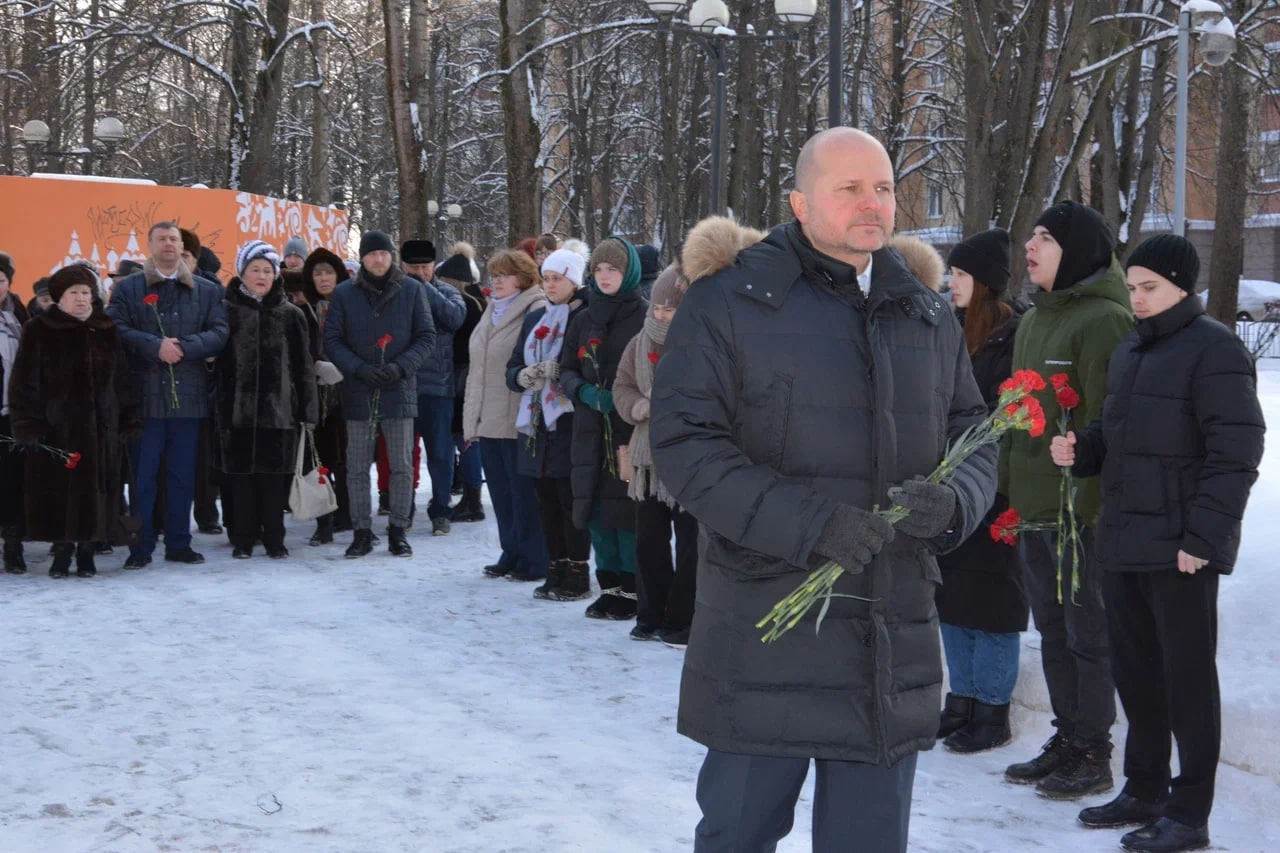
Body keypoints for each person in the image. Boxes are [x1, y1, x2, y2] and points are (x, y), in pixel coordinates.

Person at [649, 128, 995, 852]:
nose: (873, 203)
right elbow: (687, 447)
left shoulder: (925, 312)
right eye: (850, 188)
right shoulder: (729, 302)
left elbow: (974, 430)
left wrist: (956, 501)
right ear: (800, 203)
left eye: (884, 187)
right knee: (738, 834)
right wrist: (810, 524)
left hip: (886, 638)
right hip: (766, 626)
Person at [1052, 235, 1265, 853]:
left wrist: (1204, 538)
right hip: (1123, 538)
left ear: (1181, 286)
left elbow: (1237, 452)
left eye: (1149, 288)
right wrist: (1083, 450)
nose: (1137, 299)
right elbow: (1112, 430)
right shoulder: (1131, 350)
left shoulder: (1215, 350)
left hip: (1181, 549)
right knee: (1137, 673)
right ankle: (1143, 788)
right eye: (1133, 287)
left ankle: (1188, 812)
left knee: (1188, 681)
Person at [1003, 200, 1134, 800]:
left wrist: (1090, 499)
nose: (1030, 245)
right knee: (1053, 633)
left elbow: (1110, 423)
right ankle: (1068, 734)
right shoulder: (1034, 319)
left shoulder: (1104, 321)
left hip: (1080, 510)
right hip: (1034, 505)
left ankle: (1094, 750)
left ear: (1076, 250)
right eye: (1030, 235)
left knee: (1089, 634)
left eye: (1045, 237)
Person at [933, 228, 1030, 753]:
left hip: (996, 490)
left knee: (993, 601)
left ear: (987, 284)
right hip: (951, 488)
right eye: (952, 273)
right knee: (953, 596)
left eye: (962, 274)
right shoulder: (952, 331)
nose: (952, 282)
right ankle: (962, 701)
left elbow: (1011, 415)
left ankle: (993, 711)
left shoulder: (1014, 338)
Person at [108, 221, 229, 569]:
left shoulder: (206, 290)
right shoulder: (130, 288)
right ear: (150, 245)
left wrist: (185, 347)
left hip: (188, 401)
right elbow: (115, 327)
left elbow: (220, 332)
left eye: (173, 239)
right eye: (161, 239)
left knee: (182, 477)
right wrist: (154, 346)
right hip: (144, 399)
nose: (168, 245)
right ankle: (140, 547)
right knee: (143, 479)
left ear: (182, 246)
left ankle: (179, 543)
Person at [8, 265, 141, 577]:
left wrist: (129, 419)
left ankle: (87, 552)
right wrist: (27, 424)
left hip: (102, 430)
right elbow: (24, 383)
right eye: (74, 293)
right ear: (59, 298)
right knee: (60, 492)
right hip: (58, 432)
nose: (82, 299)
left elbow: (122, 380)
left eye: (86, 293)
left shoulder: (106, 328)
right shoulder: (39, 329)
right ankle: (62, 552)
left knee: (98, 491)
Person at [323, 230, 435, 559]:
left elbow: (426, 336)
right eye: (372, 254)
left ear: (391, 257)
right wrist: (357, 368)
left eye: (384, 254)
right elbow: (332, 339)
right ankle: (361, 530)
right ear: (362, 258)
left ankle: (398, 529)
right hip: (359, 389)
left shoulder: (413, 290)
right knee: (357, 465)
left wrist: (401, 367)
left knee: (400, 464)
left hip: (399, 389)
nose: (378, 259)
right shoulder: (345, 294)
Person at [559, 237, 648, 621]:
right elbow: (565, 368)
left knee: (627, 514)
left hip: (629, 429)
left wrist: (624, 398)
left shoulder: (644, 315)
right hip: (589, 428)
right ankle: (609, 586)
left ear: (629, 273)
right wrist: (583, 391)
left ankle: (632, 589)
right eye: (599, 269)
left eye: (613, 269)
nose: (606, 276)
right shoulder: (583, 317)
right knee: (595, 512)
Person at [216, 242, 318, 559]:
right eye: (254, 270)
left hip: (280, 412)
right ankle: (243, 539)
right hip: (236, 412)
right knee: (241, 478)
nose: (261, 276)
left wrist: (307, 409)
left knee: (275, 480)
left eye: (267, 271)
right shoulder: (226, 311)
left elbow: (304, 365)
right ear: (241, 272)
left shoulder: (291, 314)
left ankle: (275, 538)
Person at [614, 261, 698, 647]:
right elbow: (622, 386)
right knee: (648, 539)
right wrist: (638, 407)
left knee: (690, 541)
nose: (661, 315)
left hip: (686, 456)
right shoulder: (639, 342)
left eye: (670, 309)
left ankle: (682, 618)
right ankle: (651, 613)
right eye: (657, 308)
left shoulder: (698, 341)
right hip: (647, 458)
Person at [505, 245, 591, 600]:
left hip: (569, 422)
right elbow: (510, 368)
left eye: (558, 279)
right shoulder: (536, 318)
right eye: (547, 279)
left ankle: (578, 569)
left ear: (573, 280)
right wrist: (525, 375)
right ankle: (555, 565)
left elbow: (591, 364)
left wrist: (566, 375)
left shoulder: (583, 315)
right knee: (546, 499)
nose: (550, 285)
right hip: (536, 421)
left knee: (569, 498)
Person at [463, 248, 549, 581]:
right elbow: (478, 369)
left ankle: (534, 556)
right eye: (494, 275)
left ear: (524, 278)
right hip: (489, 417)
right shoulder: (492, 310)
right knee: (500, 492)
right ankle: (511, 550)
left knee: (523, 493)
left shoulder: (536, 308)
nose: (496, 281)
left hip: (518, 417)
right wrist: (473, 418)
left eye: (504, 275)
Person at [403, 238, 467, 536]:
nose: (419, 271)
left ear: (434, 267)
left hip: (439, 389)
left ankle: (441, 509)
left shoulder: (446, 291)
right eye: (413, 267)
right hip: (401, 387)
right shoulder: (394, 293)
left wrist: (422, 287)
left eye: (425, 267)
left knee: (441, 455)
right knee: (402, 455)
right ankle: (402, 509)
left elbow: (454, 318)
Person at [301, 247, 352, 542]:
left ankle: (347, 514)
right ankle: (324, 522)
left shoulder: (351, 304)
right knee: (318, 457)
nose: (323, 278)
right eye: (318, 273)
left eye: (328, 272)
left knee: (346, 456)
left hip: (347, 389)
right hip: (315, 392)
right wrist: (314, 365)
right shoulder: (302, 308)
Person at [178, 227, 225, 537]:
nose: (180, 260)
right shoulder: (153, 288)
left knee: (204, 457)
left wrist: (197, 349)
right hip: (167, 385)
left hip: (204, 383)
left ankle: (207, 513)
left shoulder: (210, 291)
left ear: (195, 260)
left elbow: (220, 333)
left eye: (186, 256)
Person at [437, 244, 487, 524]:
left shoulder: (464, 304)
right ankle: (472, 497)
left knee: (465, 437)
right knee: (468, 437)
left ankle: (472, 500)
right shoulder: (482, 301)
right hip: (472, 375)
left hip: (460, 375)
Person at [0, 250, 30, 573]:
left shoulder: (19, 316)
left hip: (11, 412)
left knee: (11, 481)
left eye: (0, 280)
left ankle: (13, 545)